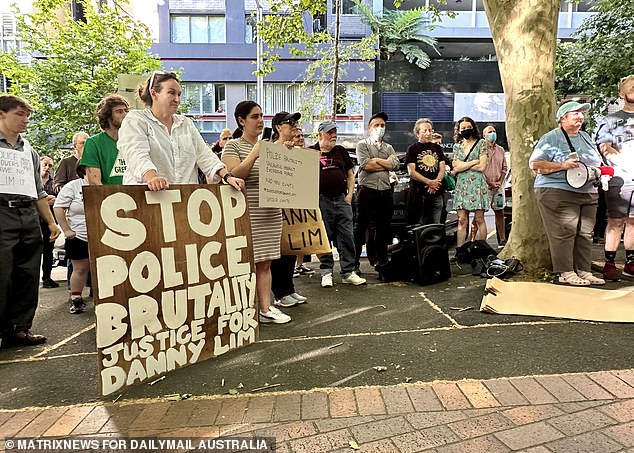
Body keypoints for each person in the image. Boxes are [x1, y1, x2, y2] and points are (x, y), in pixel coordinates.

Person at [222, 100, 291, 324]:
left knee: (266, 263)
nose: (261, 120)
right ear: (242, 121)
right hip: (246, 213)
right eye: (254, 116)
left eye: (262, 115)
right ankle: (245, 308)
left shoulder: (273, 147)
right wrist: (255, 153)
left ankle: (266, 307)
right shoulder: (232, 146)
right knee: (245, 262)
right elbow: (235, 174)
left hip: (270, 212)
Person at [0, 94, 60, 348]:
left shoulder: (29, 150)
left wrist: (51, 222)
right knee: (2, 274)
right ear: (1, 114)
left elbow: (38, 190)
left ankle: (20, 329)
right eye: (19, 115)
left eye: (27, 116)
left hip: (28, 214)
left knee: (27, 273)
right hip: (2, 212)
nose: (25, 120)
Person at [118, 71, 242, 191]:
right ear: (154, 93)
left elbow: (204, 155)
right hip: (148, 201)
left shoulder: (185, 123)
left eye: (179, 94)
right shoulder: (137, 120)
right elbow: (136, 153)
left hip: (184, 202)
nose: (177, 99)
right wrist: (151, 176)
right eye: (171, 93)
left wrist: (227, 177)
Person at [529, 101, 605, 286]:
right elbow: (535, 165)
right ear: (563, 118)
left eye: (582, 113)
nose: (581, 116)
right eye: (575, 113)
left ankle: (584, 270)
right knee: (564, 232)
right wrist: (562, 165)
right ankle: (566, 272)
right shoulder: (551, 138)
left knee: (586, 233)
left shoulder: (586, 136)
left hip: (588, 191)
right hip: (558, 191)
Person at [310, 121, 366, 287]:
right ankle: (326, 272)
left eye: (335, 131)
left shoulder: (340, 151)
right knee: (324, 237)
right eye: (329, 132)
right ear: (320, 134)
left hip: (342, 200)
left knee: (347, 236)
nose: (333, 135)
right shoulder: (311, 152)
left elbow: (350, 174)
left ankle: (348, 272)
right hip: (321, 200)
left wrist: (349, 195)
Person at [595, 75, 634, 281]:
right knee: (616, 220)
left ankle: (630, 262)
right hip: (620, 178)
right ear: (622, 93)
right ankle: (609, 263)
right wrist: (626, 164)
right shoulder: (610, 120)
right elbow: (604, 147)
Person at [268, 112, 309, 308]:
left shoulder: (295, 150)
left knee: (291, 248)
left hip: (292, 206)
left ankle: (289, 289)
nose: (294, 126)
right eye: (289, 123)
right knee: (278, 250)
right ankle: (280, 293)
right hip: (275, 208)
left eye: (295, 123)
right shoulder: (271, 150)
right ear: (278, 127)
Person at [354, 112, 399, 271]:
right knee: (361, 226)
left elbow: (395, 165)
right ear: (369, 128)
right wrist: (386, 163)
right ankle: (354, 264)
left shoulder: (389, 147)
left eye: (382, 125)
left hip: (385, 191)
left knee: (383, 227)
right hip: (367, 190)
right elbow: (367, 165)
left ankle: (381, 261)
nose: (380, 128)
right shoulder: (363, 145)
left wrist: (378, 161)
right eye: (376, 125)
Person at [53, 163, 90, 314]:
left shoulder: (105, 183)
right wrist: (67, 230)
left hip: (103, 235)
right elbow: (58, 206)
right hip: (79, 235)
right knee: (80, 269)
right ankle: (76, 299)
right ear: (84, 170)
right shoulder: (73, 186)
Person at [452, 117, 488, 247]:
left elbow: (482, 167)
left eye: (468, 127)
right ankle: (459, 250)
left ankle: (482, 250)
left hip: (477, 185)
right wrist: (474, 161)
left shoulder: (481, 143)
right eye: (463, 128)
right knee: (462, 220)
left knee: (479, 219)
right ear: (459, 130)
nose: (466, 130)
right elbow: (455, 167)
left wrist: (464, 165)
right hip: (462, 186)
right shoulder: (457, 147)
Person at [80, 94, 129, 185]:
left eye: (126, 111)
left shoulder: (135, 141)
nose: (125, 114)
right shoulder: (94, 143)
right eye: (119, 111)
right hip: (110, 197)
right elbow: (95, 182)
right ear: (107, 116)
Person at [405, 118, 447, 225]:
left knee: (436, 225)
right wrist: (429, 183)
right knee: (421, 226)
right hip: (420, 194)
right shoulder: (412, 149)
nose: (428, 133)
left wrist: (435, 183)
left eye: (430, 130)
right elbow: (412, 172)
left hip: (436, 192)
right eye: (425, 131)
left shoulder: (437, 148)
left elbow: (442, 168)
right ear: (418, 133)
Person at [291, 128, 315, 277]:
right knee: (293, 233)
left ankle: (300, 264)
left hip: (305, 197)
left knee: (303, 233)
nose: (300, 138)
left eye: (302, 136)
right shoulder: (288, 154)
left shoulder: (308, 154)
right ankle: (293, 266)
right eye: (297, 136)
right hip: (292, 198)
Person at [482, 124, 508, 247]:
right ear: (484, 135)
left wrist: (499, 182)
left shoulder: (501, 150)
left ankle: (502, 240)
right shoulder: (480, 150)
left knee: (500, 212)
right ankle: (480, 241)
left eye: (494, 131)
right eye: (490, 132)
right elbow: (479, 170)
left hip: (499, 187)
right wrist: (490, 182)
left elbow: (504, 168)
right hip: (485, 187)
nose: (493, 133)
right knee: (480, 213)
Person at [39, 155, 59, 288]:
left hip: (50, 220)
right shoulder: (35, 181)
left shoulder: (54, 182)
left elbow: (58, 199)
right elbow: (35, 199)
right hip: (34, 220)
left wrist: (42, 201)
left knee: (48, 251)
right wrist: (45, 200)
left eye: (50, 165)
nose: (47, 168)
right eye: (45, 164)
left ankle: (47, 277)